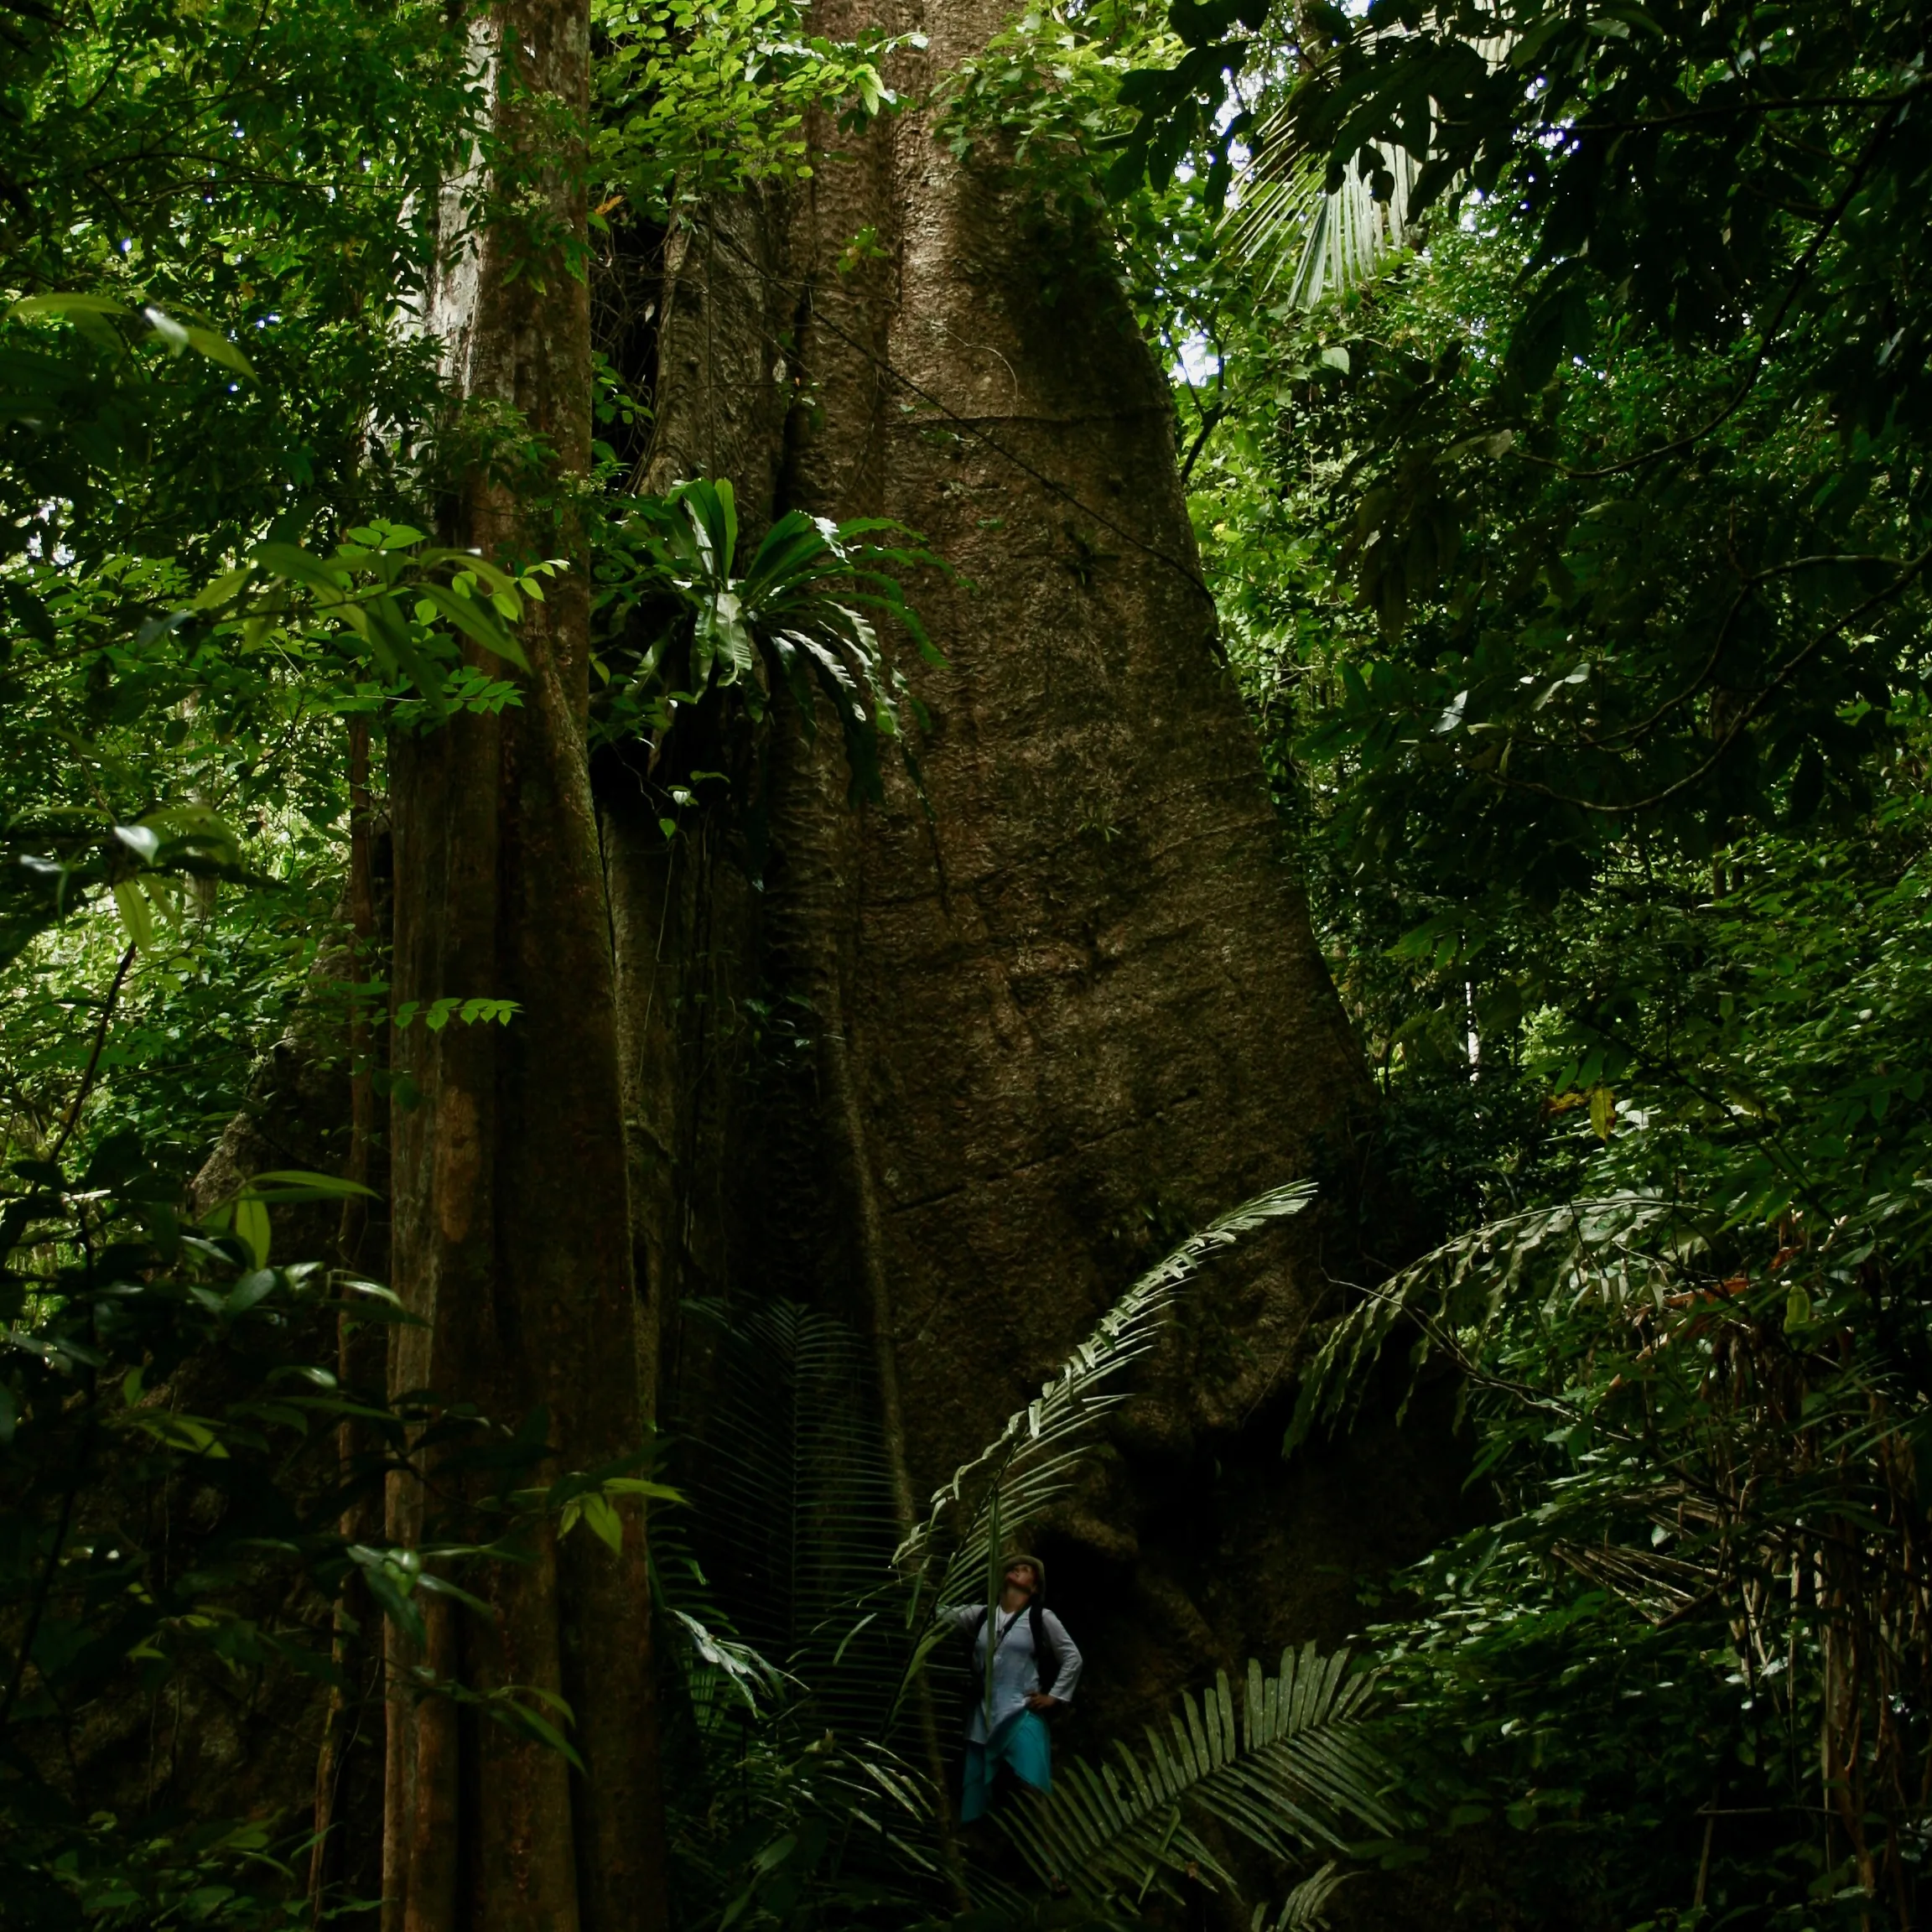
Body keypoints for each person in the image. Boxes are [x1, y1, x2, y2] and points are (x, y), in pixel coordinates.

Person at [946, 1552, 1083, 1822]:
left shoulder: (1041, 1617)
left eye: (1027, 1569)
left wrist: (1053, 1696)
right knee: (974, 1794)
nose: (1019, 1569)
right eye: (1015, 1567)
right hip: (982, 1719)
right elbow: (939, 1616)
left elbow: (1072, 1657)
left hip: (1022, 1713)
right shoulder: (982, 1614)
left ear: (1035, 1588)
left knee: (1032, 1788)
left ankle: (1043, 1845)